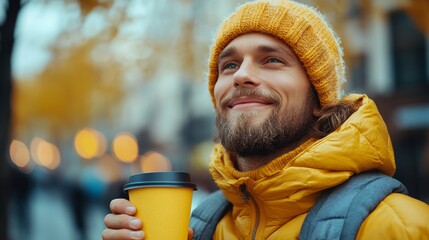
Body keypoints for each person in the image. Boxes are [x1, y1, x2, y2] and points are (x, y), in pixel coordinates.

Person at [102, 0, 429, 239]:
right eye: (228, 65)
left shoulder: (400, 227)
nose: (241, 75)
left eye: (272, 60)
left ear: (318, 100)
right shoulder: (200, 227)